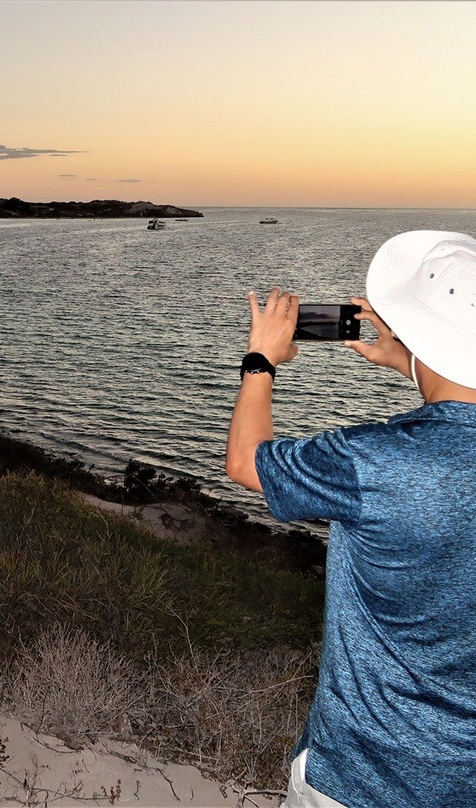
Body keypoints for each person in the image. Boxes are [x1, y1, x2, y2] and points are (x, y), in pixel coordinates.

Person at [225, 231, 476, 808]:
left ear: (414, 333)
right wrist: (412, 364)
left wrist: (261, 359)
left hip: (366, 770)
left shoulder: (371, 461)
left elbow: (246, 462)